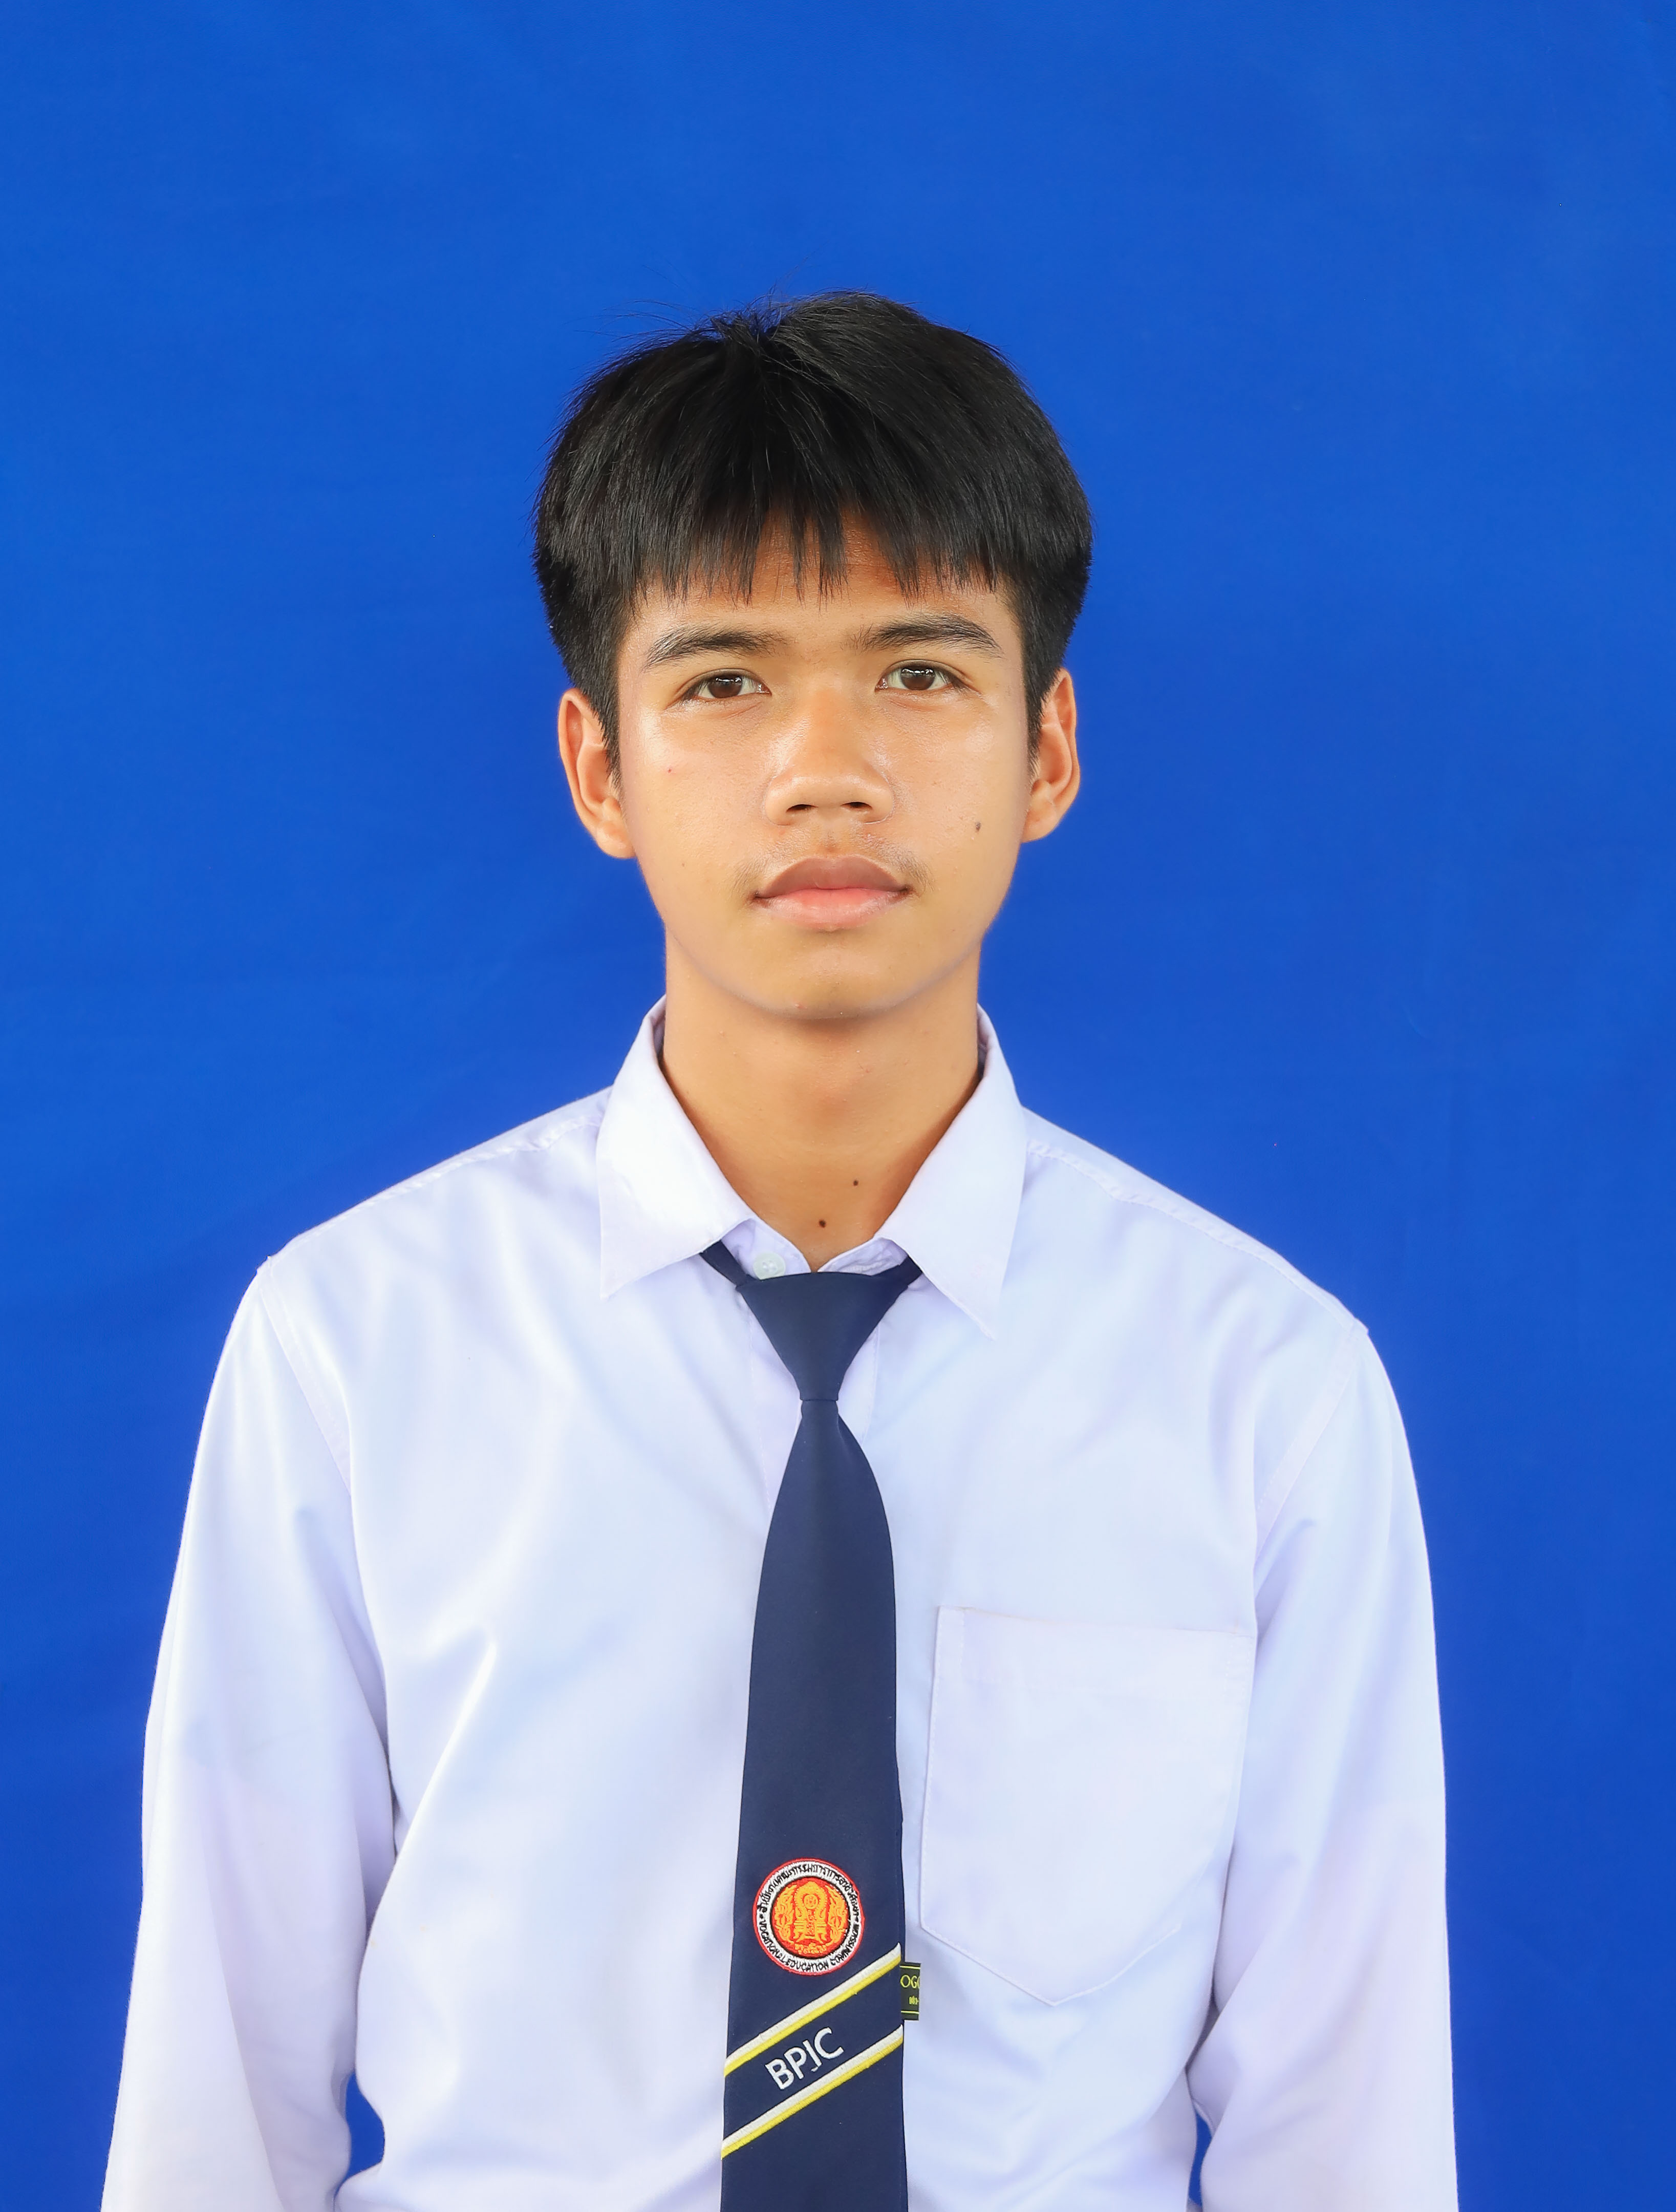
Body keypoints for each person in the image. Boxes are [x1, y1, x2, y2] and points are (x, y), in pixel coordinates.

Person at [102, 293, 1456, 2212]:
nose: (828, 768)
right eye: (726, 682)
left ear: (1046, 747)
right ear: (599, 768)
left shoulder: (1262, 1385)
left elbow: (1349, 2123)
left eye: (918, 671)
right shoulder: (355, 1345)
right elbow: (216, 2081)